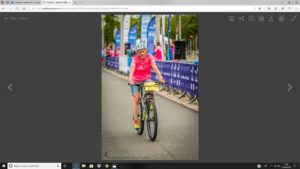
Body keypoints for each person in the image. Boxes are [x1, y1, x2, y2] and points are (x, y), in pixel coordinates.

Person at [128, 42, 164, 129]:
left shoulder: (150, 57)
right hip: (135, 80)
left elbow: (155, 68)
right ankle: (136, 120)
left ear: (146, 50)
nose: (141, 53)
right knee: (136, 99)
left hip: (146, 78)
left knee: (151, 88)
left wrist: (160, 76)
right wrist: (130, 80)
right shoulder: (135, 59)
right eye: (140, 52)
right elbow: (132, 70)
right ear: (137, 52)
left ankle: (150, 102)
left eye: (143, 51)